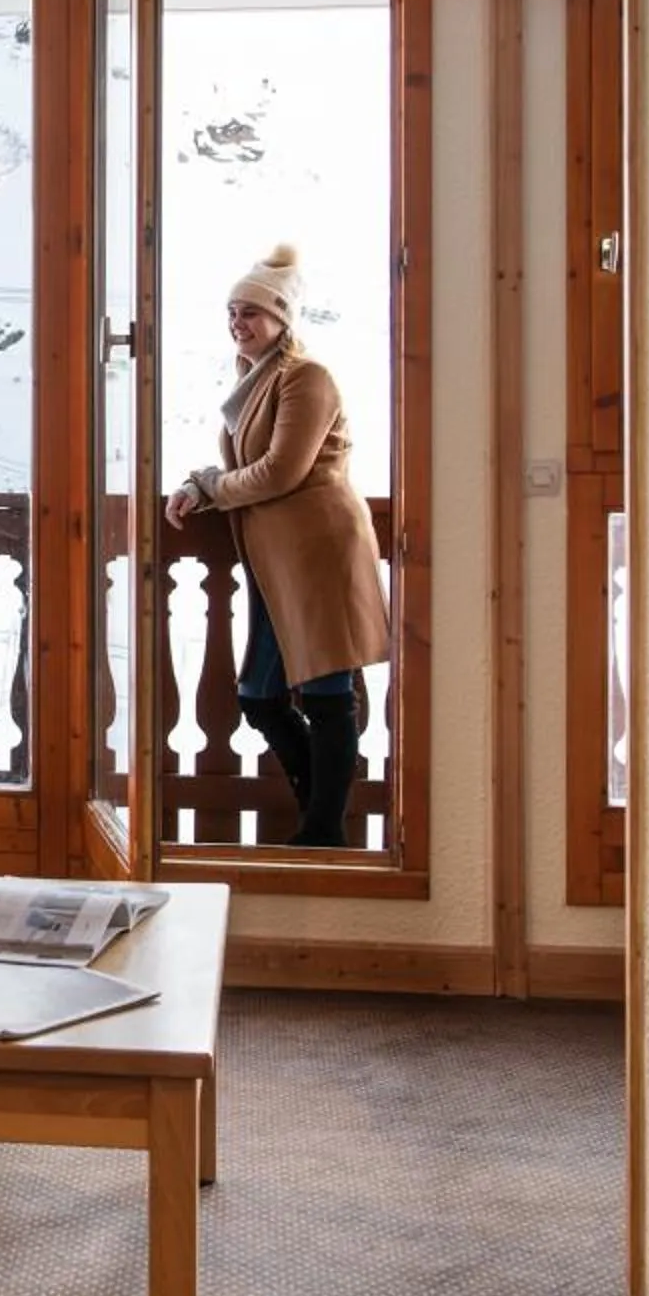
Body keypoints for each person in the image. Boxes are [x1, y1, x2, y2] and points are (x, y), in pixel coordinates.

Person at [162, 246, 391, 847]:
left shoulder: (306, 378)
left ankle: (321, 831)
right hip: (275, 561)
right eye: (233, 312)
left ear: (282, 320)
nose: (238, 323)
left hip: (318, 553)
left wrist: (211, 487)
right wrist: (200, 484)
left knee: (325, 690)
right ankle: (323, 819)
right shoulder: (255, 380)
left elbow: (280, 472)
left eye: (252, 313)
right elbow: (245, 466)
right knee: (260, 696)